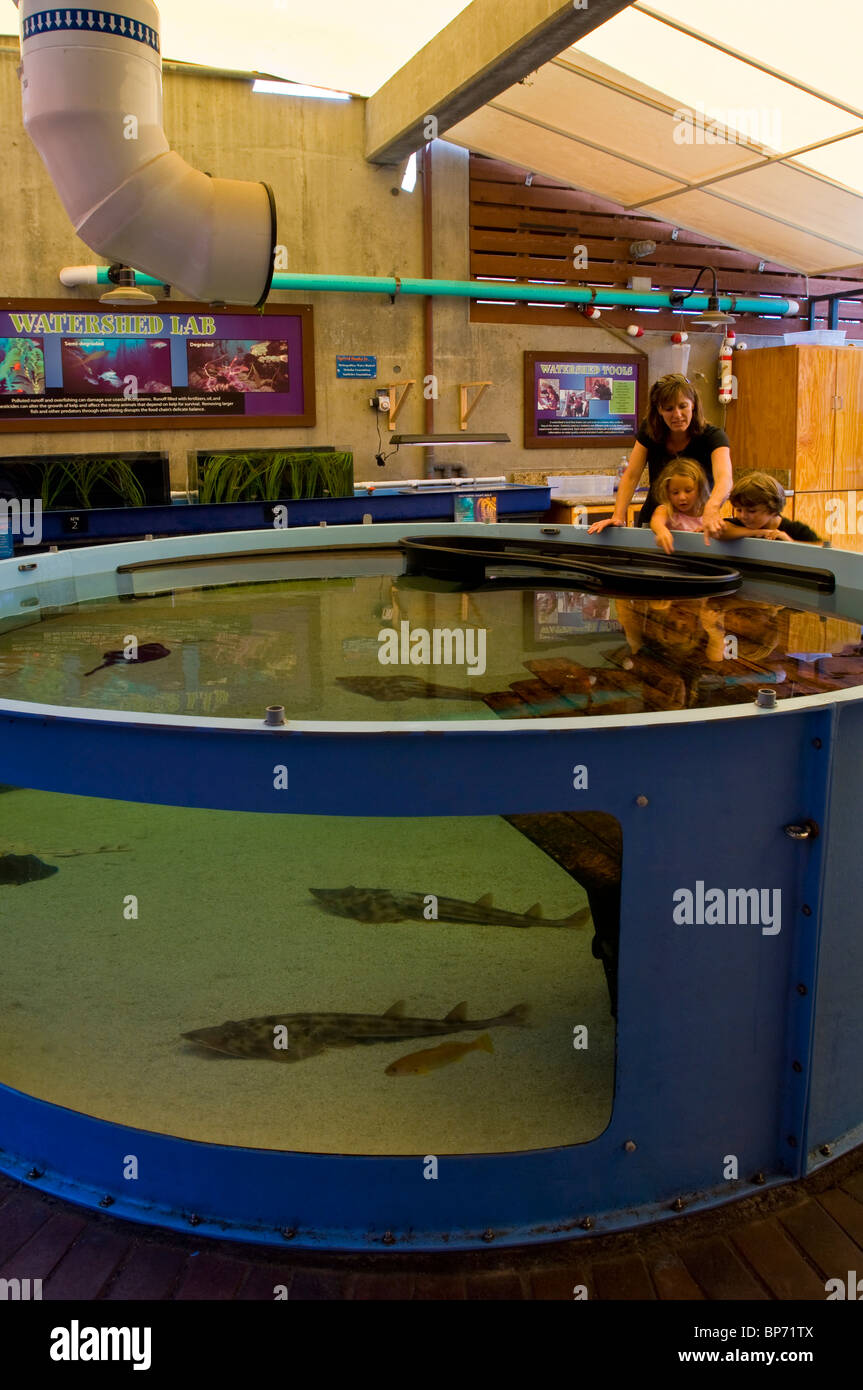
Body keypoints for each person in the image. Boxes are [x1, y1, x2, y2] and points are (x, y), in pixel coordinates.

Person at [588, 373, 732, 543]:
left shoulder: (713, 437)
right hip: (655, 522)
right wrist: (618, 515)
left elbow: (725, 478)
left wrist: (712, 508)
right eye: (669, 409)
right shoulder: (650, 432)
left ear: (693, 405)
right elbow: (631, 475)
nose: (677, 415)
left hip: (696, 524)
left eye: (683, 406)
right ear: (659, 410)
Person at [717, 472, 823, 544]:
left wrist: (790, 543)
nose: (743, 516)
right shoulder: (741, 524)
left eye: (752, 511)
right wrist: (759, 532)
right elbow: (719, 531)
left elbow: (824, 551)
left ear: (773, 510)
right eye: (739, 510)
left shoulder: (797, 530)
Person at [649, 458, 710, 554]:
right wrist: (661, 530)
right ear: (667, 493)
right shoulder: (666, 510)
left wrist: (709, 529)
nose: (682, 497)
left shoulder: (707, 512)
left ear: (699, 489)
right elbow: (656, 522)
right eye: (675, 492)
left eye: (688, 490)